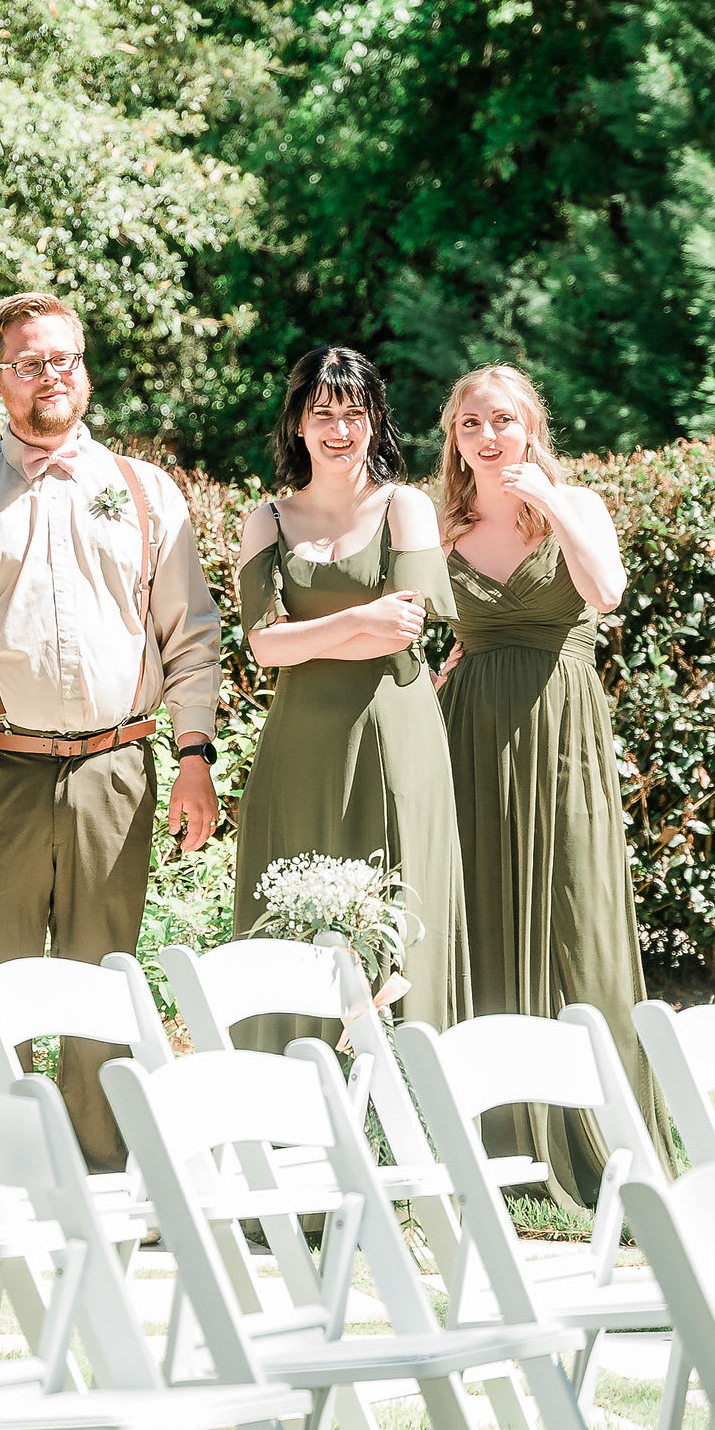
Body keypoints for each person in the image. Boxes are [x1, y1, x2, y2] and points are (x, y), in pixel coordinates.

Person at [0, 294, 222, 1175]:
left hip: (117, 768)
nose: (50, 376)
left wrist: (194, 757)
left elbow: (190, 636)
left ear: (85, 370)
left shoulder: (145, 493)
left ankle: (101, 1172)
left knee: (104, 980)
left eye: (63, 358)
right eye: (28, 363)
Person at [436, 363, 652, 1203]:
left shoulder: (579, 504)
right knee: (486, 912)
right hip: (472, 733)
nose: (488, 437)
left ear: (531, 427)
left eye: (503, 420)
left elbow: (607, 592)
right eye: (471, 424)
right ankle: (500, 1137)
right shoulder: (441, 525)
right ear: (455, 439)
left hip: (563, 730)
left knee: (577, 911)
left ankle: (601, 1133)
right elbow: (423, 622)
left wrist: (551, 504)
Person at [230, 347, 466, 1029]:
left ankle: (405, 1084)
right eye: (322, 414)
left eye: (354, 413)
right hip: (300, 743)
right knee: (291, 912)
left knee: (399, 905)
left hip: (394, 735)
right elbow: (263, 646)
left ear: (376, 421)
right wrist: (360, 618)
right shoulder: (267, 520)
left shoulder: (405, 507)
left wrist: (308, 636)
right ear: (297, 425)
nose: (340, 429)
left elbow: (402, 631)